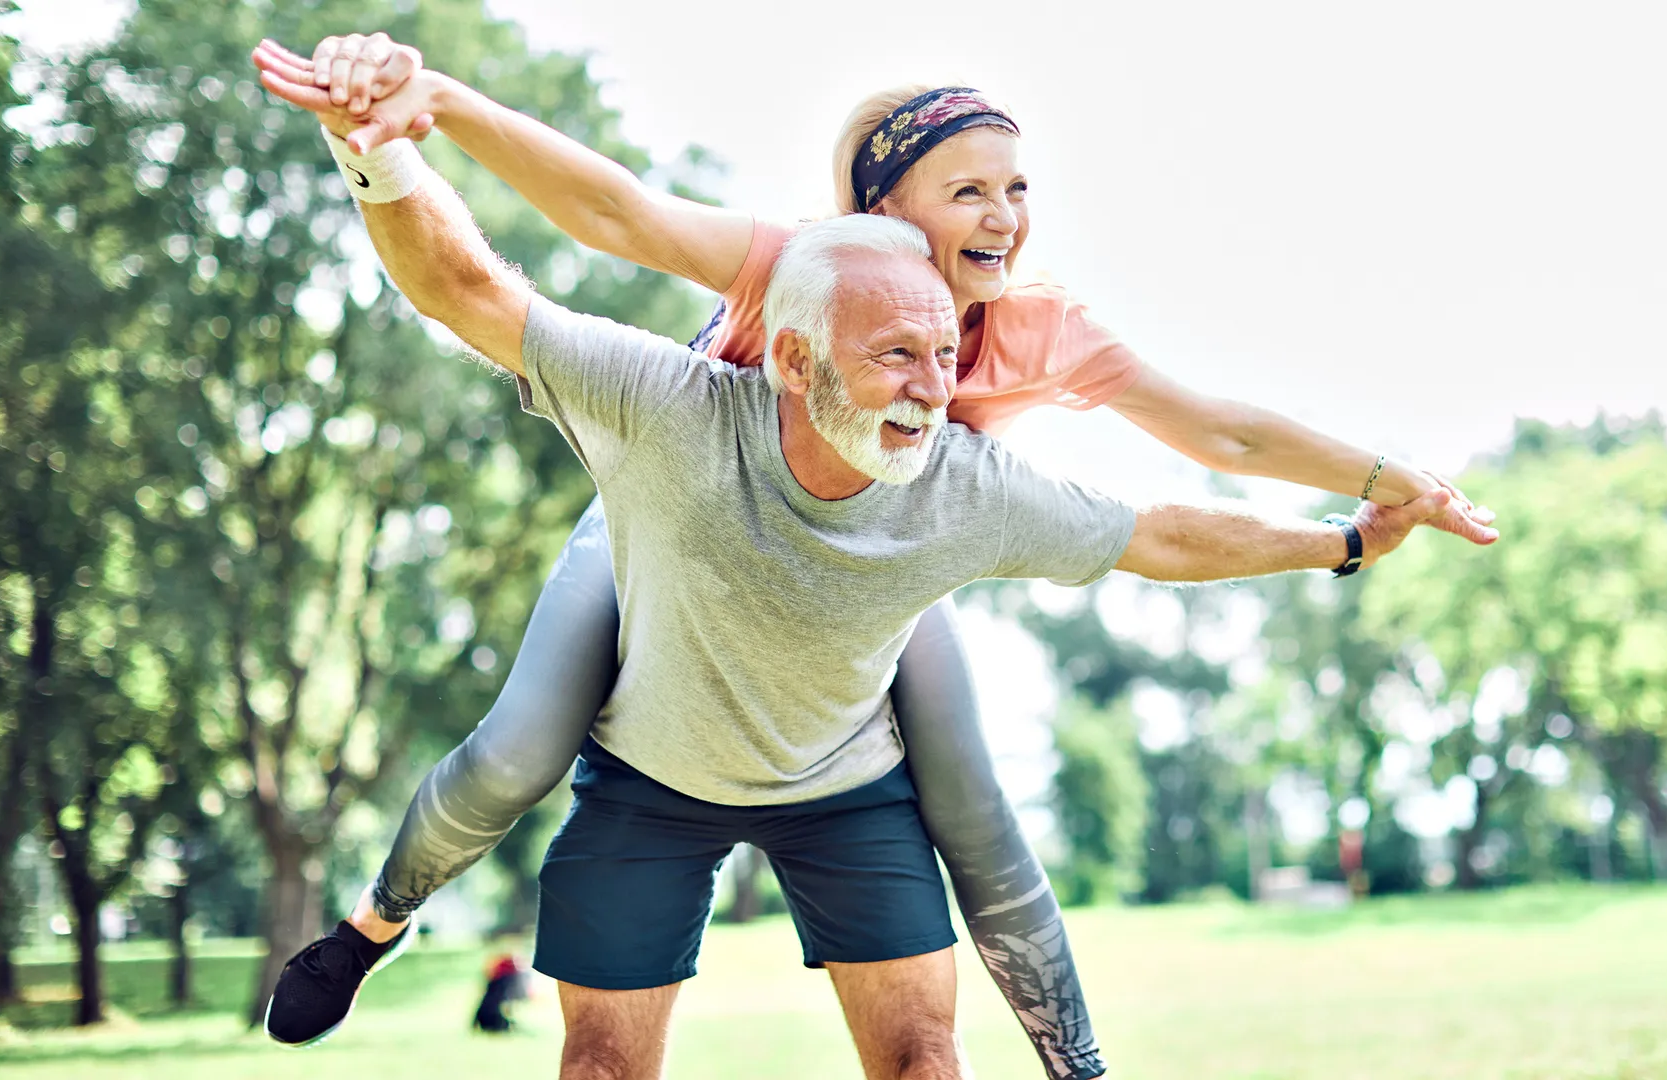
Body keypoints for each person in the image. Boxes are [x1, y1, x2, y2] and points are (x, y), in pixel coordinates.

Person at [251, 37, 1498, 1080]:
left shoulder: (1033, 327)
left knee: (976, 814)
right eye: (969, 191)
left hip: (887, 555)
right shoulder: (798, 269)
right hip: (680, 530)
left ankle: (1083, 1067)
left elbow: (1209, 437)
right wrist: (438, 110)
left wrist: (1374, 501)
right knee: (521, 747)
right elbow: (613, 213)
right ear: (880, 210)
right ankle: (372, 925)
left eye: (1018, 187)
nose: (1003, 217)